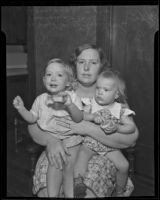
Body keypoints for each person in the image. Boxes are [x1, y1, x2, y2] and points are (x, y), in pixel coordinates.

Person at [28, 44, 139, 197]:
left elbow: (131, 139)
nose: (86, 67)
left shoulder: (111, 94)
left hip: (100, 153)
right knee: (47, 190)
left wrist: (86, 128)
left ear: (101, 67)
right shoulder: (60, 90)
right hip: (61, 146)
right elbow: (33, 124)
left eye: (93, 63)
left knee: (84, 192)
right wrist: (50, 141)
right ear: (74, 66)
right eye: (81, 62)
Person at [13, 58, 84, 197]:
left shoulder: (71, 97)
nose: (53, 78)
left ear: (68, 82)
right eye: (49, 74)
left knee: (68, 168)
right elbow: (32, 118)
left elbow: (79, 118)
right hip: (55, 141)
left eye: (59, 75)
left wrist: (70, 105)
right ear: (44, 80)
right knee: (54, 165)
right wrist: (21, 109)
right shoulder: (40, 100)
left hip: (72, 141)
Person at [73, 69, 136, 196]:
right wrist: (91, 117)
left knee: (124, 165)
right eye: (98, 88)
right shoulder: (91, 103)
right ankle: (78, 182)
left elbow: (131, 127)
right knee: (82, 154)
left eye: (105, 90)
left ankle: (120, 190)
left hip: (110, 146)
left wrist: (118, 128)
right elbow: (81, 116)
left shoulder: (120, 109)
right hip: (91, 142)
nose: (100, 92)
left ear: (116, 94)